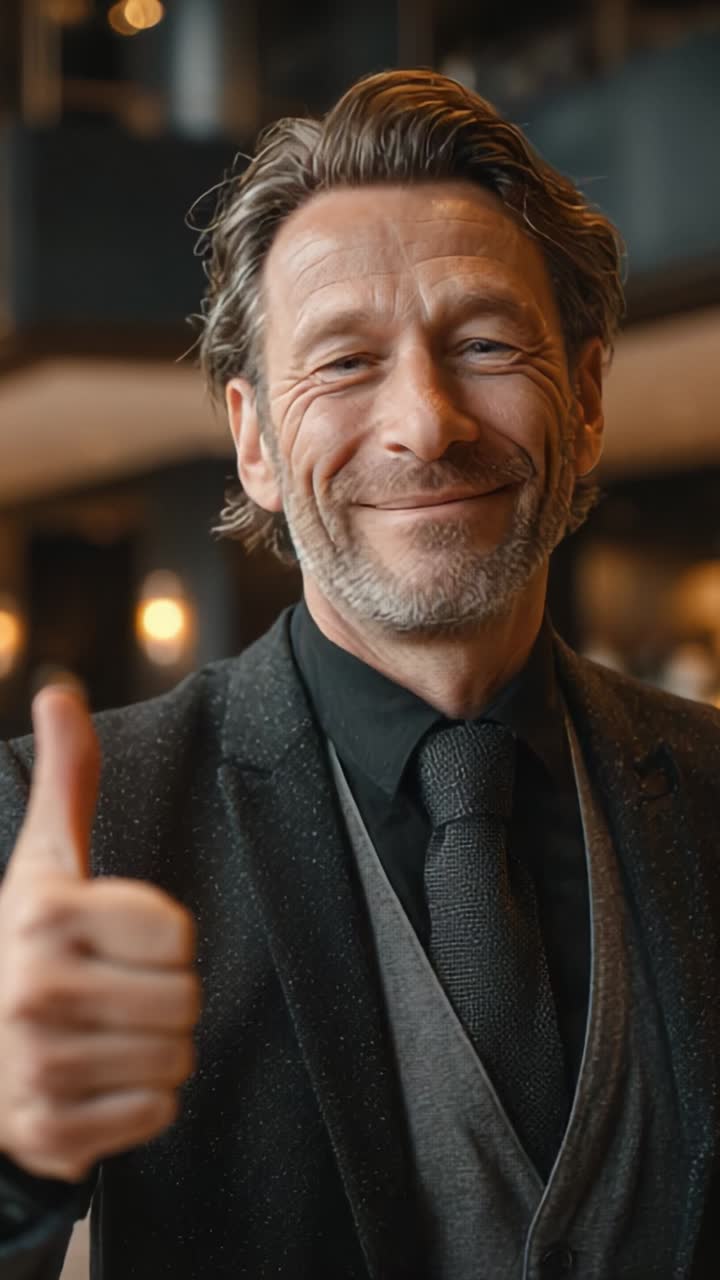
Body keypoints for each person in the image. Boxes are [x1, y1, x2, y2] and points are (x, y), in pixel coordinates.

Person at [0, 68, 719, 1280]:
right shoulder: (61, 821)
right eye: (342, 362)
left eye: (483, 341)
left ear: (587, 398)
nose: (425, 422)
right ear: (256, 441)